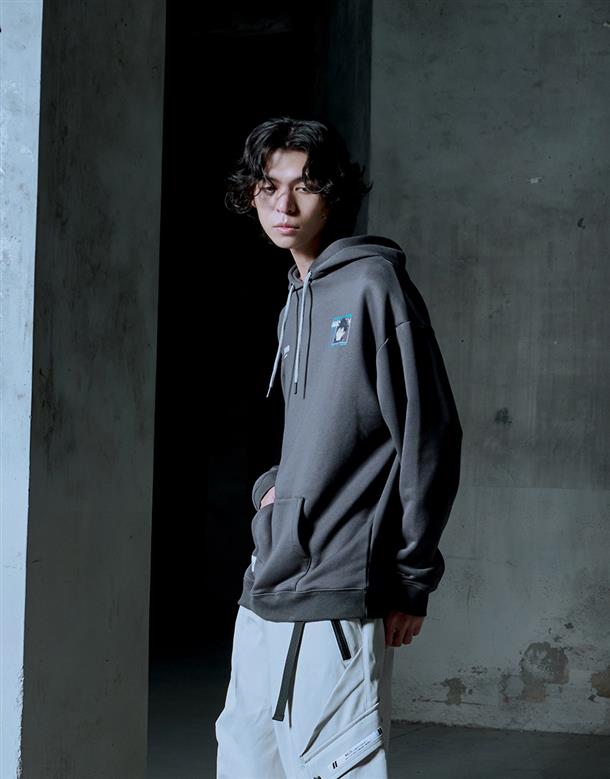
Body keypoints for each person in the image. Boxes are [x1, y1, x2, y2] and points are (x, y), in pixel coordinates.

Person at [215, 116, 463, 778]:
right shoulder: (295, 300)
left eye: (304, 186)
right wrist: (271, 489)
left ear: (333, 195)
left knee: (333, 768)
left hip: (336, 585)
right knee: (245, 764)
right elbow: (314, 432)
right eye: (269, 186)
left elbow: (430, 435)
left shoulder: (373, 286)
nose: (284, 205)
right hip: (268, 578)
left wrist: (411, 577)